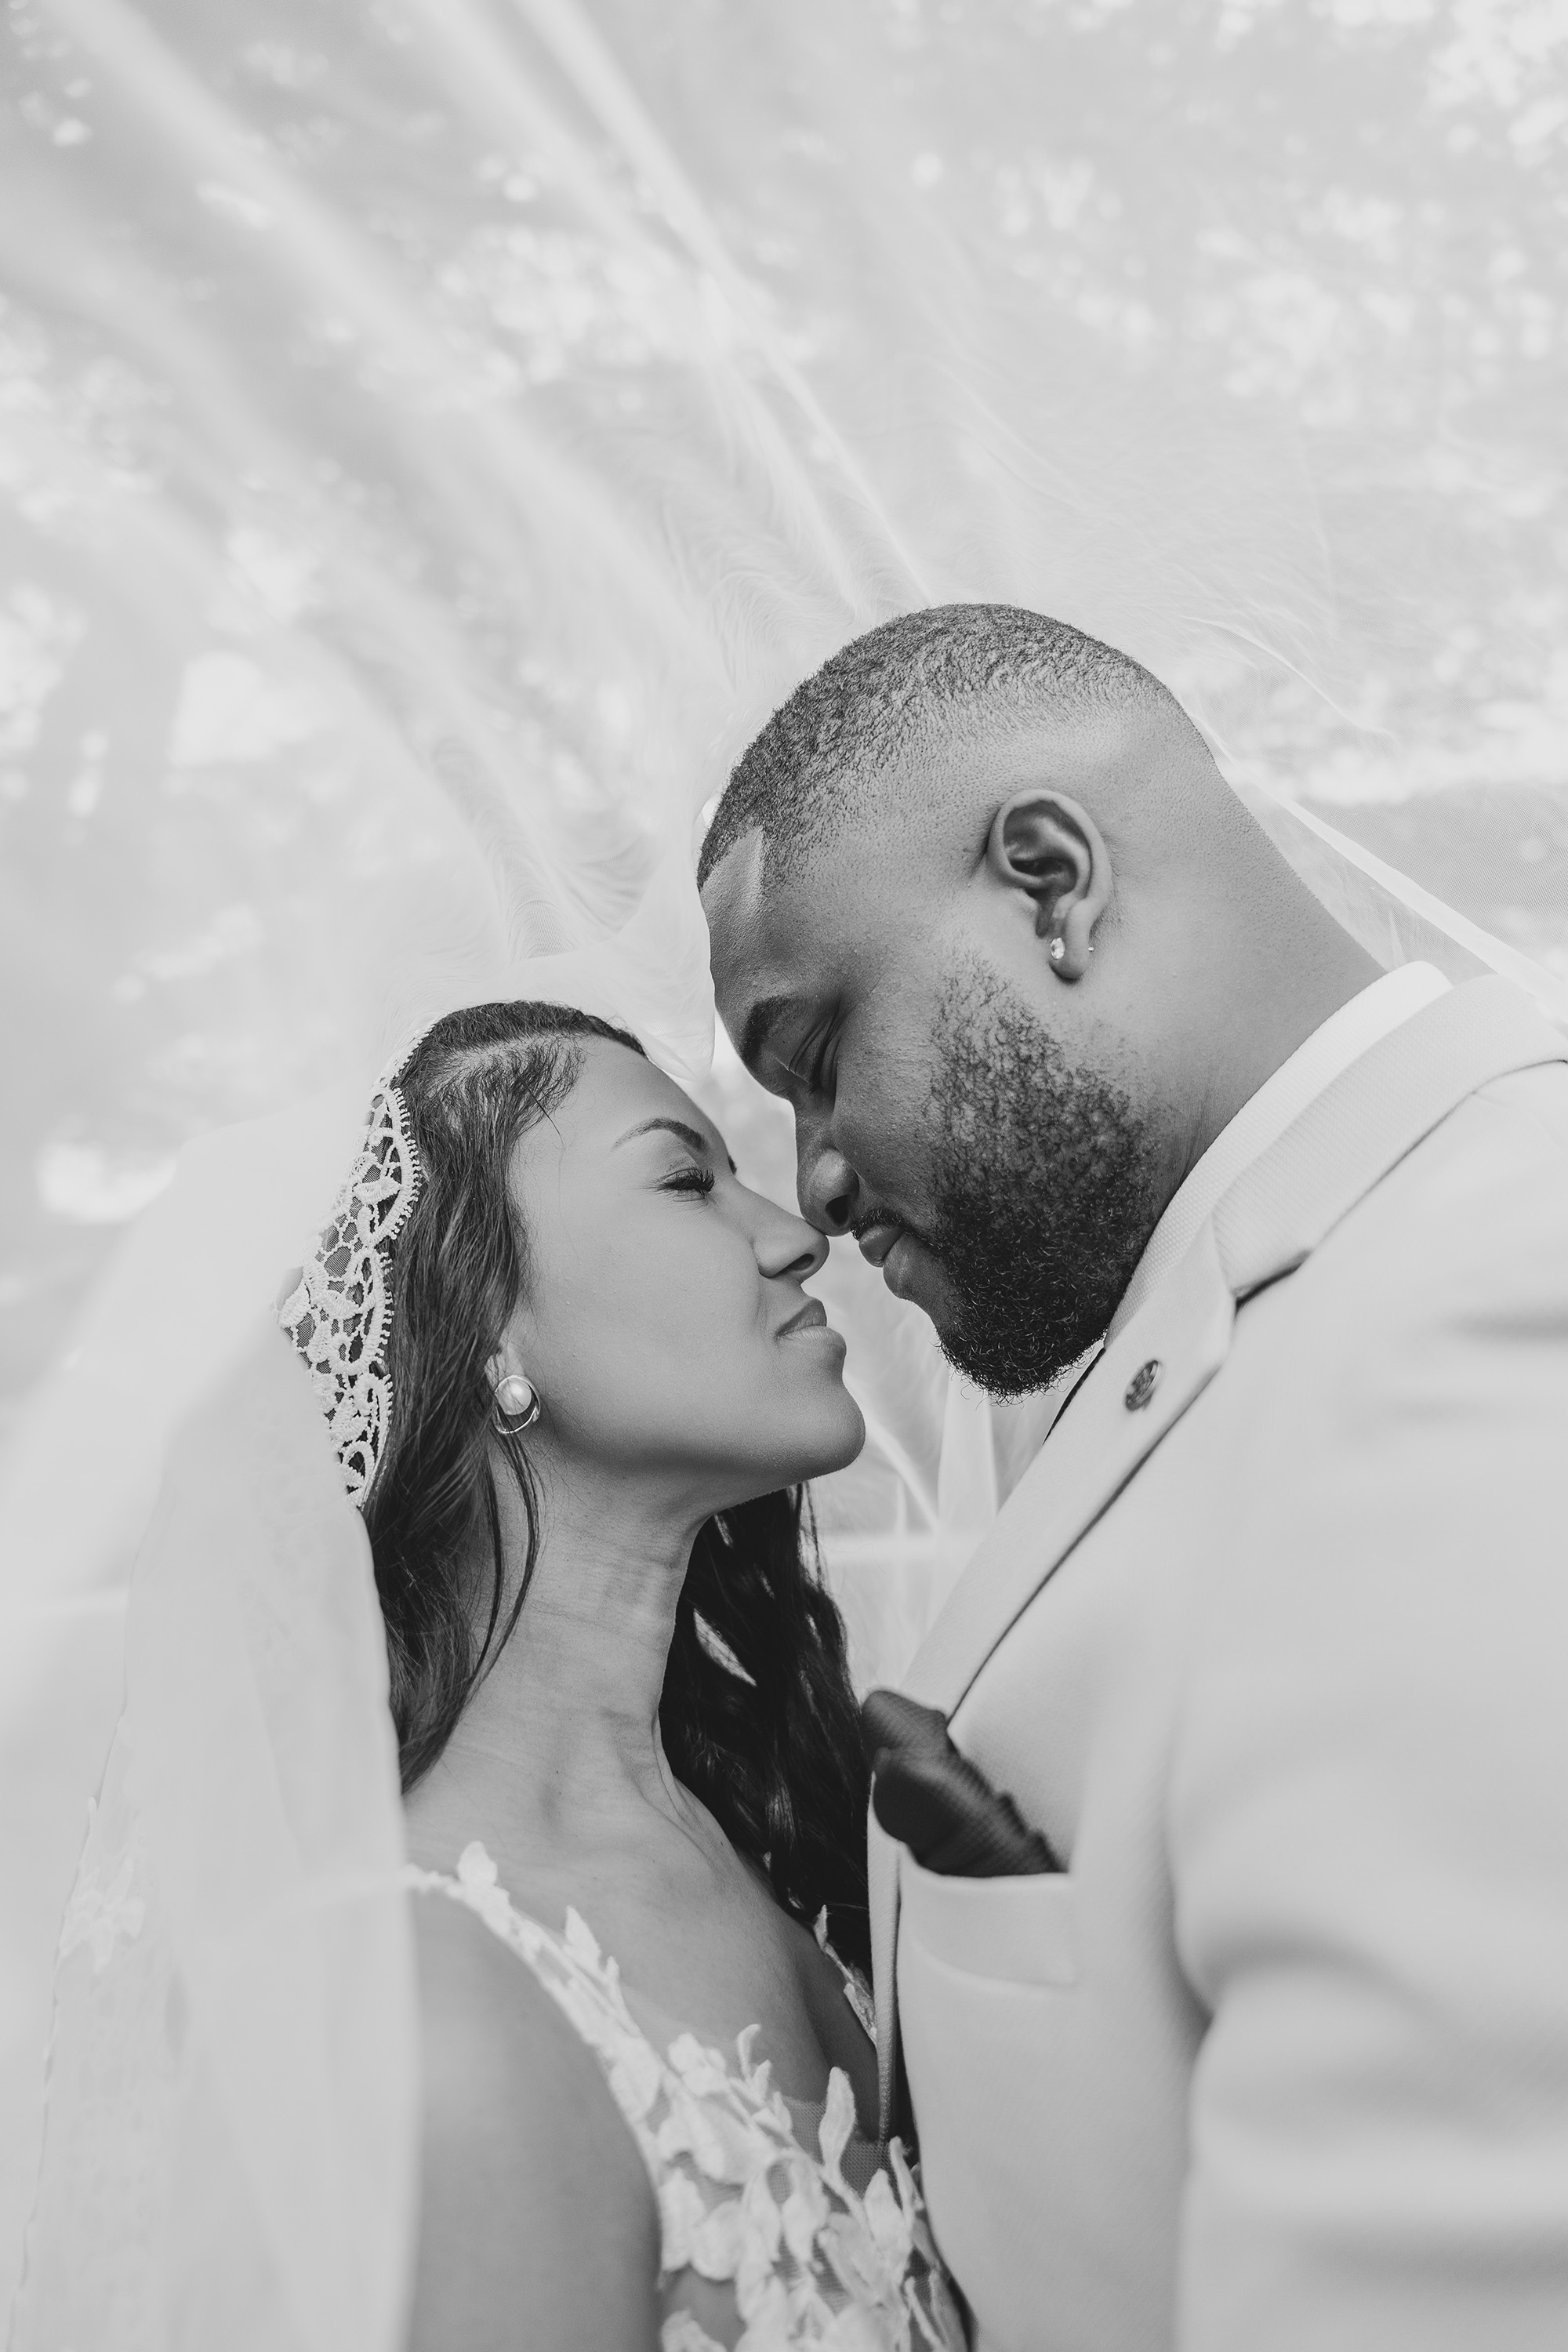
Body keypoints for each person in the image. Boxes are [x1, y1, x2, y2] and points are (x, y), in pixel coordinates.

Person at [701, 603, 1568, 2352]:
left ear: (1047, 881)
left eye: (814, 1057)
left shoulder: (1486, 1289)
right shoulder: (1237, 1307)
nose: (817, 1186)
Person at [286, 1000, 962, 2351]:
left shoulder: (794, 1832)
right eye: (684, 1179)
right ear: (486, 1329)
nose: (794, 1231)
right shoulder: (432, 2011)